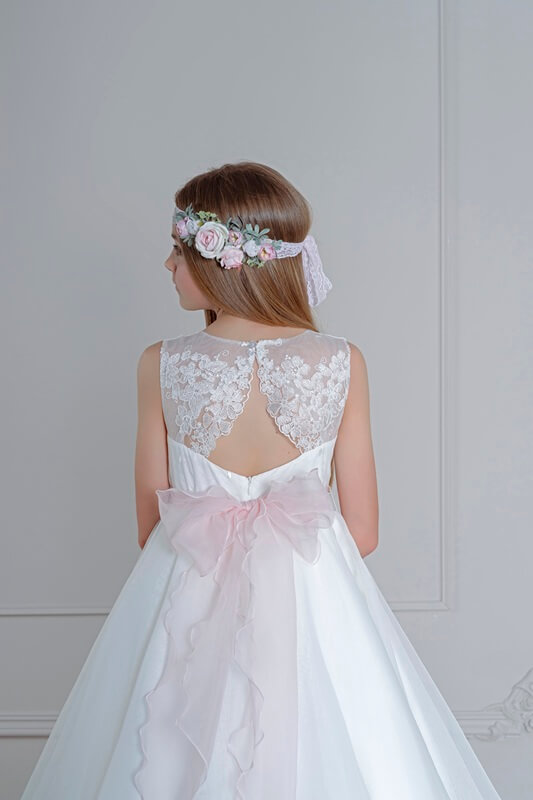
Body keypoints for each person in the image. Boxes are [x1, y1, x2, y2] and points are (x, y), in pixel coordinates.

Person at [20, 161, 502, 799]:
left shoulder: (160, 364)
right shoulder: (342, 362)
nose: (167, 264)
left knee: (158, 748)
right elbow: (362, 531)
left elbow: (151, 528)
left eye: (179, 250)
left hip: (183, 602)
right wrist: (280, 569)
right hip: (310, 603)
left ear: (224, 261)